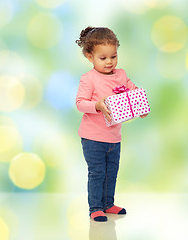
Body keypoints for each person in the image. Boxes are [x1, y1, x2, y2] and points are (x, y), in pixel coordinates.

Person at [75, 26, 148, 222]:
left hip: (114, 137)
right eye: (103, 58)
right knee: (97, 172)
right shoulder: (89, 78)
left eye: (113, 56)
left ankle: (108, 203)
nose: (109, 62)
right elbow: (80, 103)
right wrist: (97, 105)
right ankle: (96, 207)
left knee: (111, 172)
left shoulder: (121, 74)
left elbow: (133, 91)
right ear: (90, 57)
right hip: (93, 137)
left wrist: (140, 106)